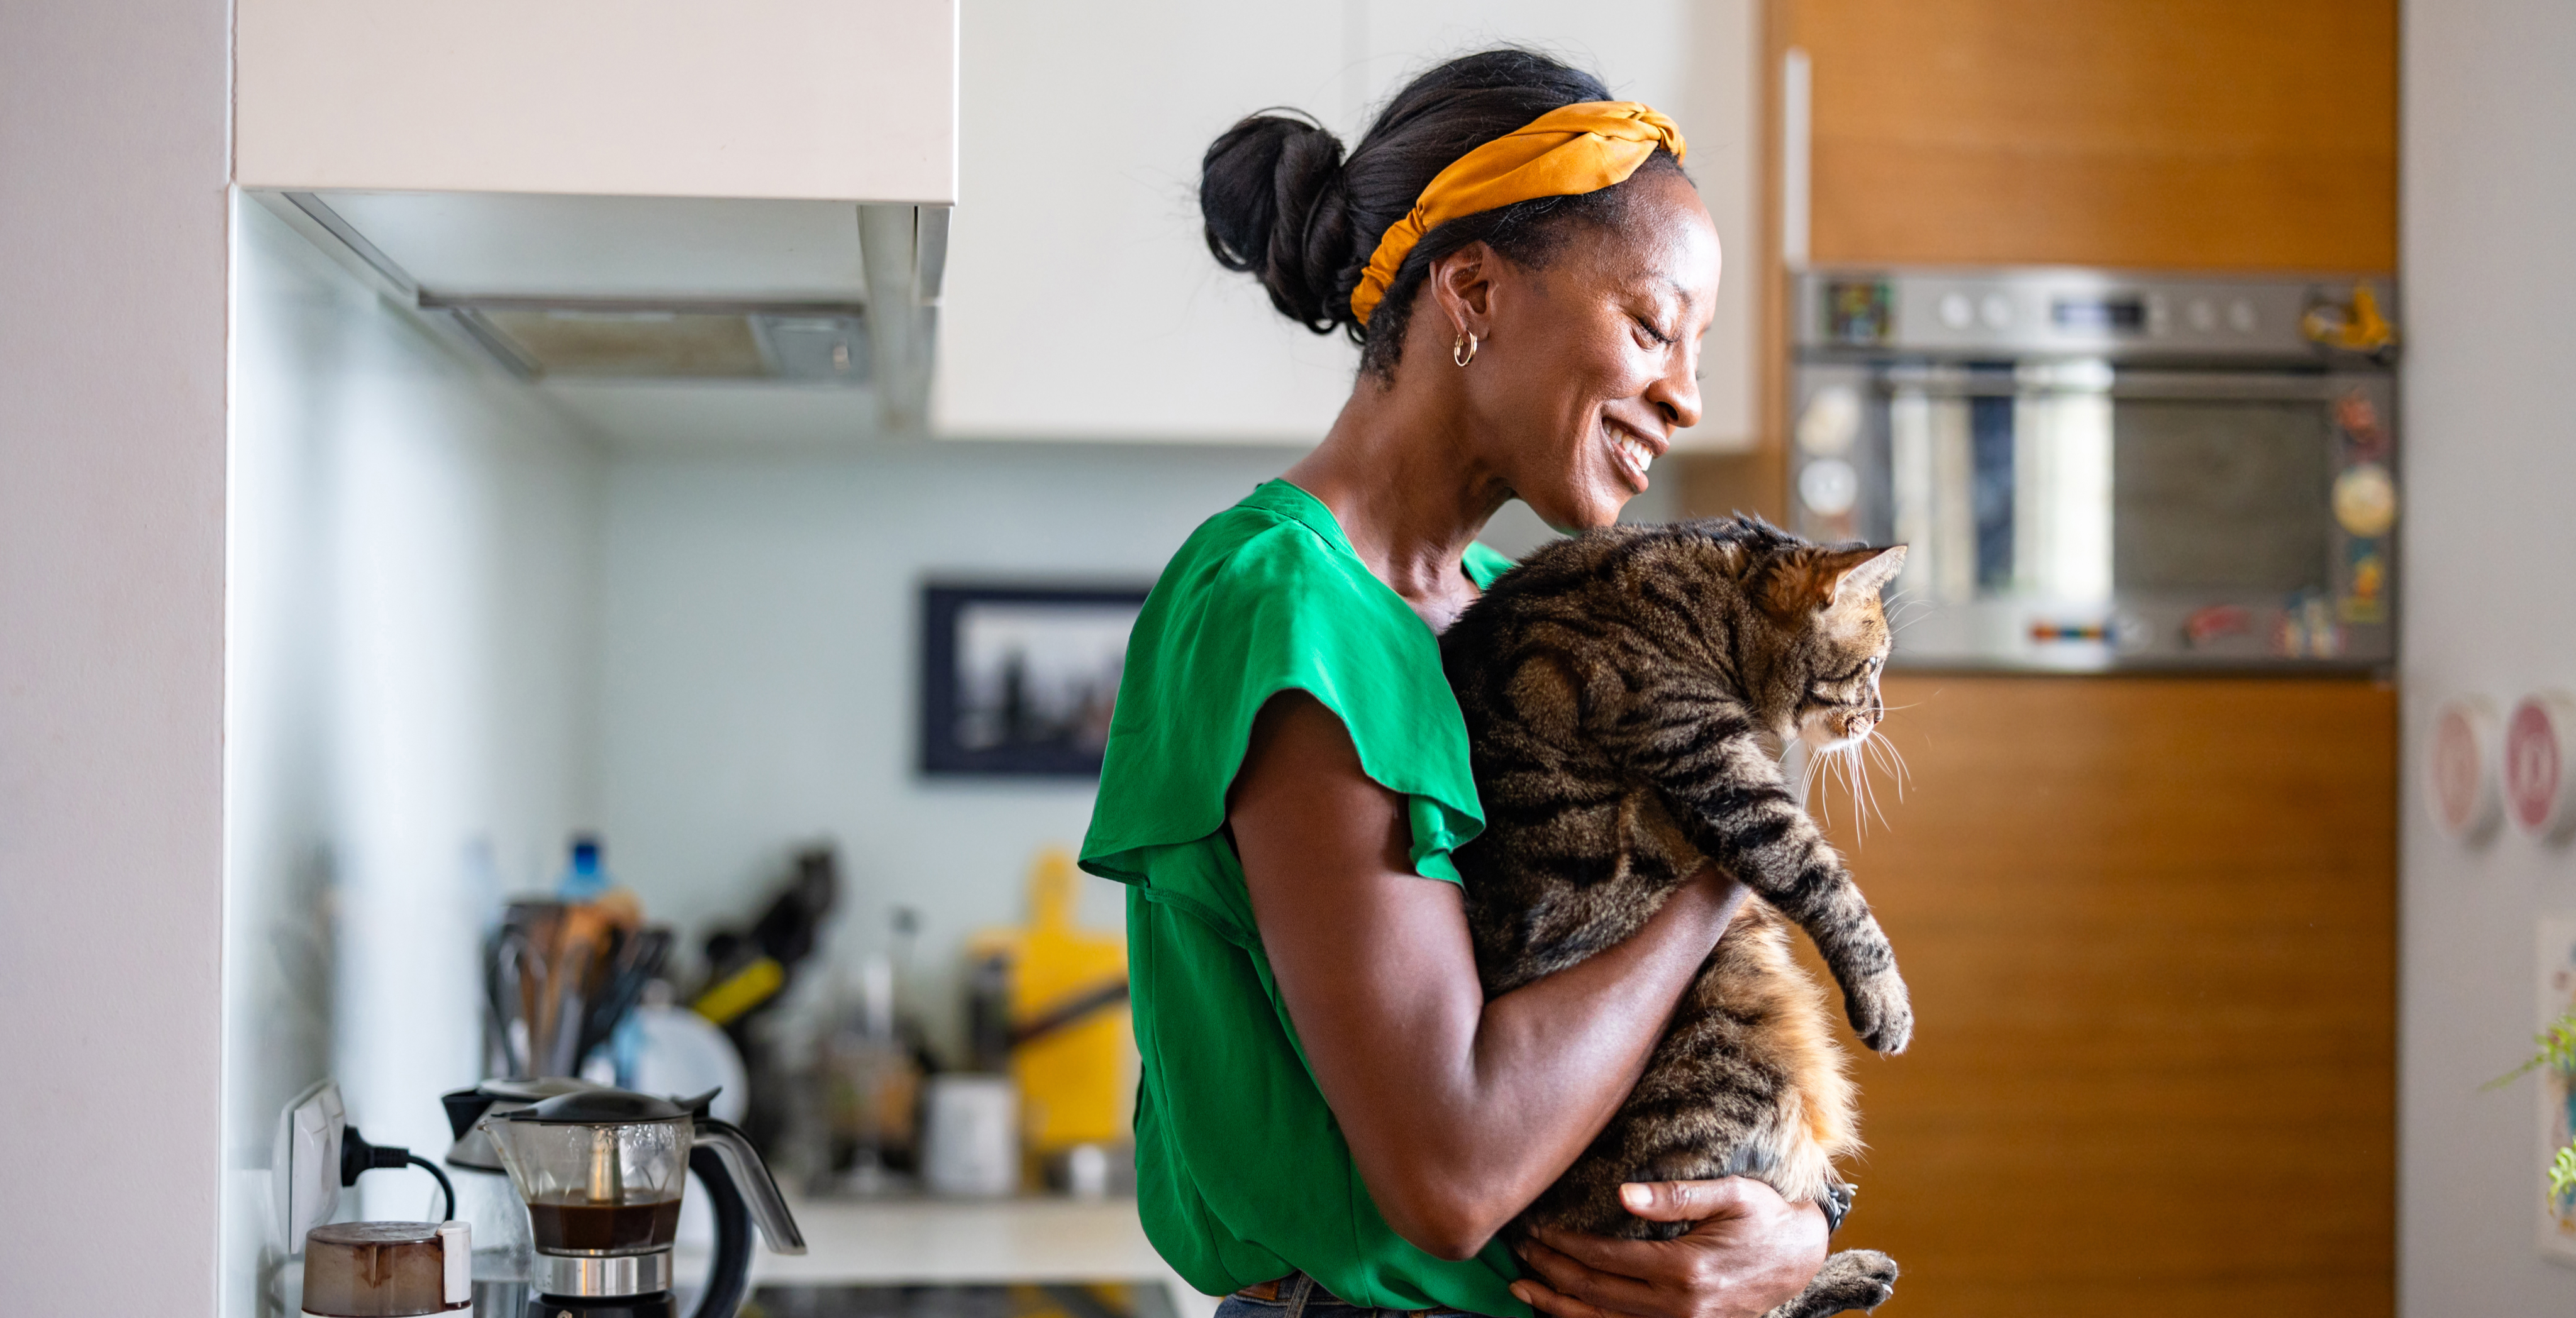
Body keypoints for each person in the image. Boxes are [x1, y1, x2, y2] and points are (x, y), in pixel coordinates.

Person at [1079, 50, 1830, 1318]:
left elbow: (1649, 1030)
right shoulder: (1289, 613)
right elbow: (1455, 1170)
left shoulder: (1505, 609)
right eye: (1650, 325)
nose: (1686, 396)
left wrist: (1787, 1230)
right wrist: (1728, 862)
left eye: (1693, 347)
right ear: (1472, 289)